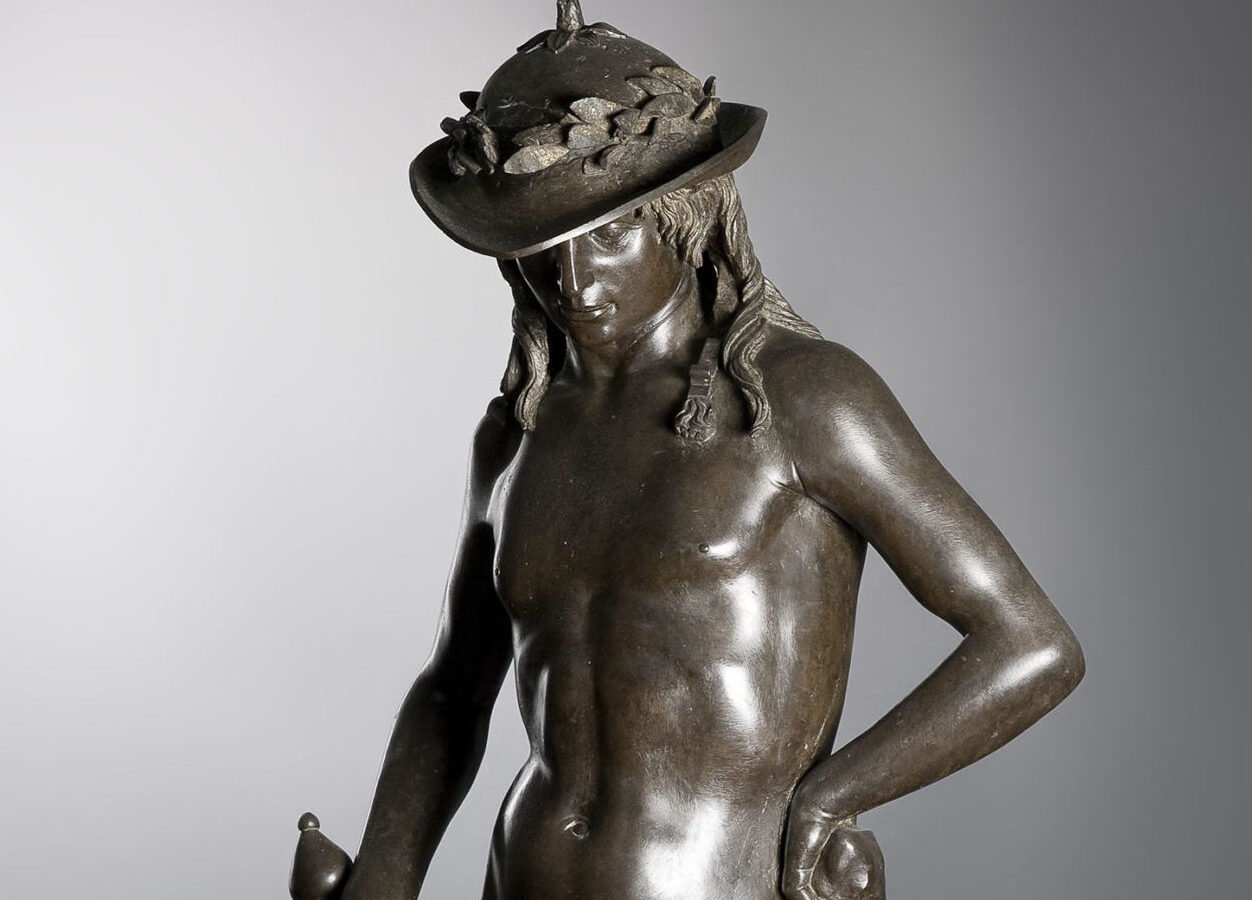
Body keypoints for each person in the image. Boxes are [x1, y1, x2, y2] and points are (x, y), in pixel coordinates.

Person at [294, 4, 1084, 899]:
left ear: (687, 217)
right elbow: (454, 687)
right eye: (544, 246)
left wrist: (832, 797)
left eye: (610, 233)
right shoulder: (518, 427)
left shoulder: (802, 398)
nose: (572, 281)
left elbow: (1029, 644)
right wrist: (383, 880)